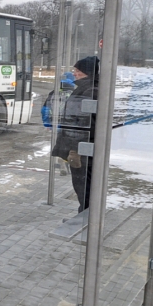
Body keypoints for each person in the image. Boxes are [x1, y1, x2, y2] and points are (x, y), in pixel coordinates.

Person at [54, 56, 100, 212]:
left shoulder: (89, 90)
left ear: (86, 72)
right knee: (83, 182)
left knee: (82, 183)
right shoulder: (87, 88)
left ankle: (86, 215)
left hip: (80, 147)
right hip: (80, 145)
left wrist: (74, 148)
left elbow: (82, 122)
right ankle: (86, 213)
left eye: (77, 70)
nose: (74, 73)